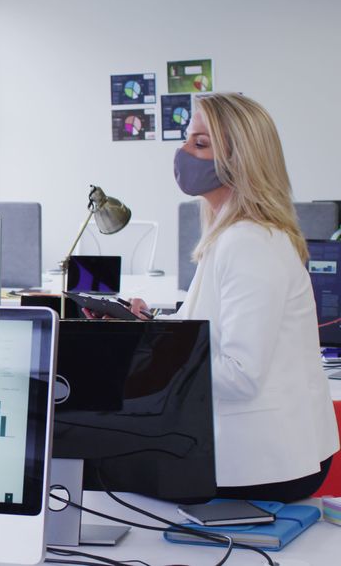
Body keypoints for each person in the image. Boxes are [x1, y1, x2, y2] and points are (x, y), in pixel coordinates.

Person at [116, 93, 339, 502]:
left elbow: (240, 374)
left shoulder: (249, 241)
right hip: (258, 448)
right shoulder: (229, 233)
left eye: (200, 144)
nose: (182, 153)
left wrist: (143, 354)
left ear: (241, 161)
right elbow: (204, 333)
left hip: (269, 461)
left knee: (102, 466)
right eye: (187, 140)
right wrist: (146, 329)